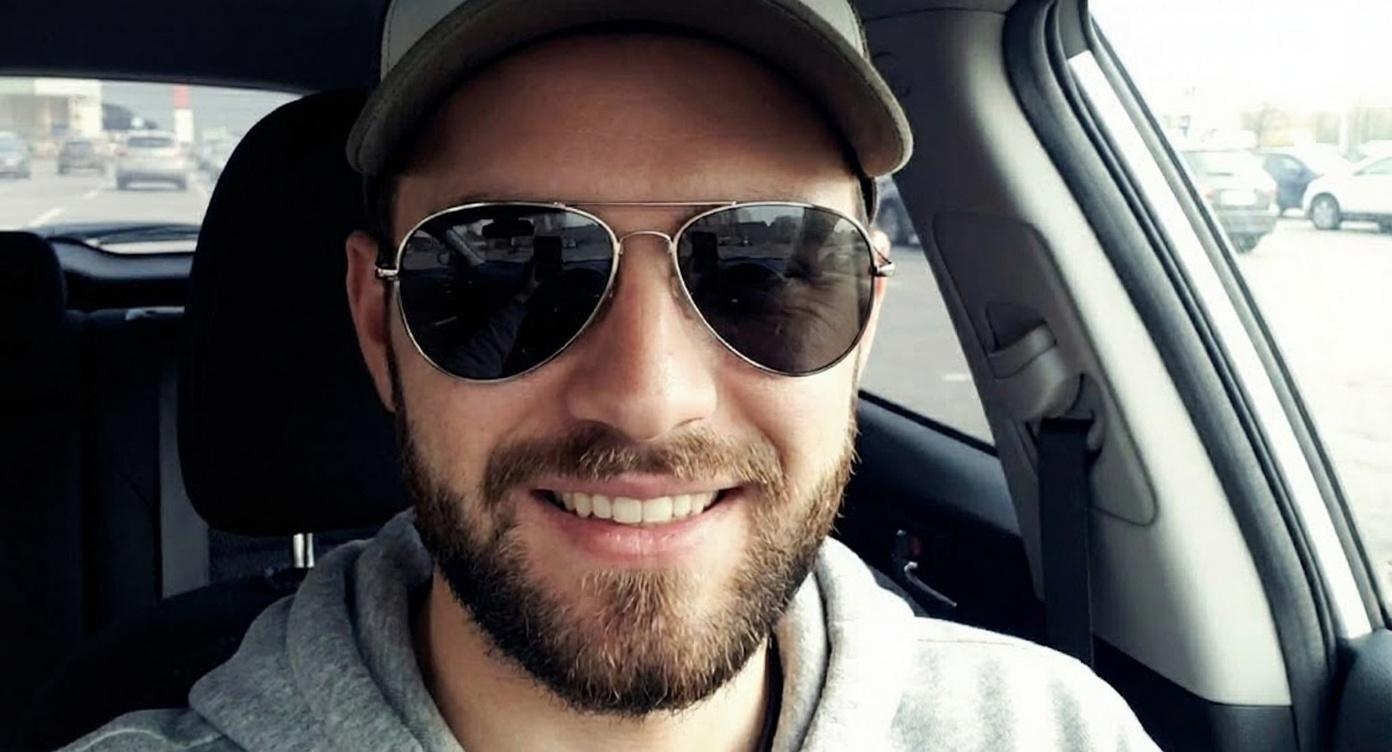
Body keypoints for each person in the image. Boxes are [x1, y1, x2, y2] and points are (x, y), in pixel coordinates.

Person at [64, 1, 1160, 750]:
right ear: (374, 320)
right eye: (504, 270)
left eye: (768, 264)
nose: (647, 395)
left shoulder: (1056, 727)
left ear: (866, 316)